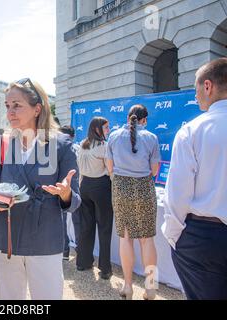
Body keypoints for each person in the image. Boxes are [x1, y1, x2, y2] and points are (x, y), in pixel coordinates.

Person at [0, 78, 81, 300]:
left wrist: (65, 194)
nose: (10, 112)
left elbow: (75, 201)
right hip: (5, 237)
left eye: (17, 105)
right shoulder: (3, 143)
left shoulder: (62, 145)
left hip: (44, 238)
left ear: (37, 109)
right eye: (7, 106)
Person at [162, 58, 227, 300]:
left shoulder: (192, 131)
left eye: (196, 87)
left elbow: (177, 194)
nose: (195, 94)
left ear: (208, 86)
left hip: (203, 238)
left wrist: (175, 237)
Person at [106, 104, 160, 300]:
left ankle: (128, 287)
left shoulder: (113, 136)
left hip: (120, 186)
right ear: (144, 120)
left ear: (128, 117)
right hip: (145, 186)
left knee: (125, 237)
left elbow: (109, 167)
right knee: (147, 239)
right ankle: (151, 288)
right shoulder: (152, 137)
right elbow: (154, 171)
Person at [75, 117, 114, 280]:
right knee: (104, 227)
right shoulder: (103, 147)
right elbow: (110, 170)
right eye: (106, 128)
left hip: (85, 186)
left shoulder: (82, 144)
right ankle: (105, 268)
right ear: (97, 129)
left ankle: (83, 262)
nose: (108, 130)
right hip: (101, 186)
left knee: (86, 225)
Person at [59, 125, 78, 261]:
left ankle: (65, 250)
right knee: (74, 222)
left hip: (64, 189)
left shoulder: (58, 149)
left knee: (63, 222)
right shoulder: (77, 148)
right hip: (74, 189)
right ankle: (73, 250)